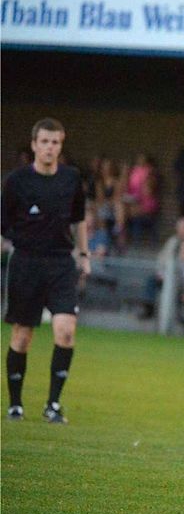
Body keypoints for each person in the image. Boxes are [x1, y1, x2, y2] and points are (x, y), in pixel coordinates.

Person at [1, 118, 90, 423]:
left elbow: (79, 219)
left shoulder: (71, 179)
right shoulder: (16, 182)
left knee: (66, 331)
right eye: (45, 142)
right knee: (22, 336)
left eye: (56, 142)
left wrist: (84, 254)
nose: (50, 147)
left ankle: (53, 405)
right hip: (26, 262)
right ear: (34, 145)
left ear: (60, 146)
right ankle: (15, 405)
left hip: (61, 263)